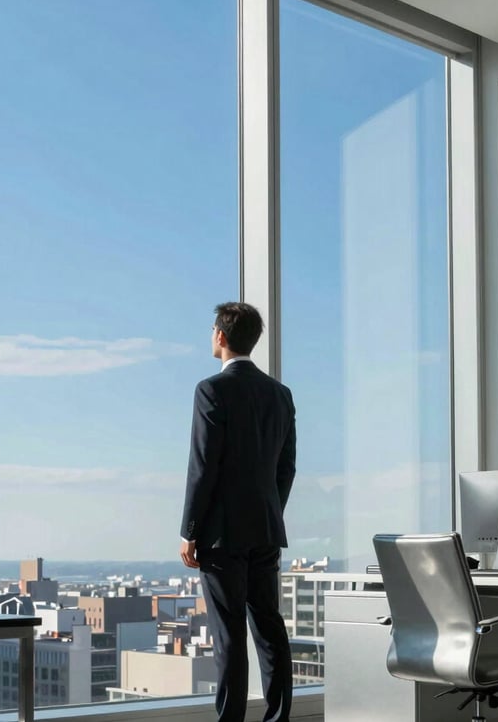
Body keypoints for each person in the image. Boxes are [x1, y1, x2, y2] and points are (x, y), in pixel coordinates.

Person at [180, 301, 296, 722]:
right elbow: (287, 468)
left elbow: (203, 466)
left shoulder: (211, 390)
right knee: (269, 628)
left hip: (222, 535)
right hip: (265, 529)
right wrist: (268, 511)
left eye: (213, 329)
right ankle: (278, 718)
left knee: (229, 636)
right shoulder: (280, 395)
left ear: (221, 336)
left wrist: (190, 529)